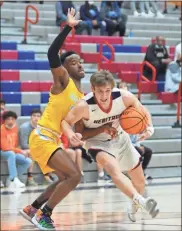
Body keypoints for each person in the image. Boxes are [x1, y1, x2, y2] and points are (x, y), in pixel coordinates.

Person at [61, 70, 159, 222]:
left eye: (107, 90)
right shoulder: (83, 106)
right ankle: (142, 201)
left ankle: (135, 204)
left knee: (140, 182)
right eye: (100, 91)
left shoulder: (124, 97)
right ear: (93, 89)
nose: (104, 95)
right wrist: (71, 134)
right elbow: (66, 123)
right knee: (113, 169)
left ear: (112, 88)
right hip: (97, 142)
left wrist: (150, 128)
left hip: (121, 138)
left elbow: (142, 110)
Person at [19, 8, 85, 230]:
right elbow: (51, 53)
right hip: (42, 138)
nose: (80, 64)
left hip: (51, 139)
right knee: (75, 176)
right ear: (64, 67)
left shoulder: (81, 95)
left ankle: (33, 208)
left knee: (66, 178)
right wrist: (68, 26)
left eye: (80, 61)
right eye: (74, 61)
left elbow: (79, 124)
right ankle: (44, 215)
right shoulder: (63, 80)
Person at [19, 109, 57, 186]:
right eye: (34, 116)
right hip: (24, 149)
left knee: (50, 151)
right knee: (34, 153)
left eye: (38, 116)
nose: (36, 118)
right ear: (31, 117)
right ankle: (30, 178)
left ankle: (48, 176)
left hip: (37, 148)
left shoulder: (42, 128)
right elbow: (24, 144)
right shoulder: (24, 127)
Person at [0, 111, 32, 188]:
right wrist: (20, 151)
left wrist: (20, 151)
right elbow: (5, 147)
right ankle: (13, 178)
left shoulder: (15, 128)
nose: (10, 121)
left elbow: (15, 144)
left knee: (28, 161)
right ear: (4, 120)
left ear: (15, 120)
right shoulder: (1, 129)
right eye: (8, 119)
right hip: (2, 152)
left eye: (12, 119)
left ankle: (10, 180)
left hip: (12, 152)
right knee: (11, 153)